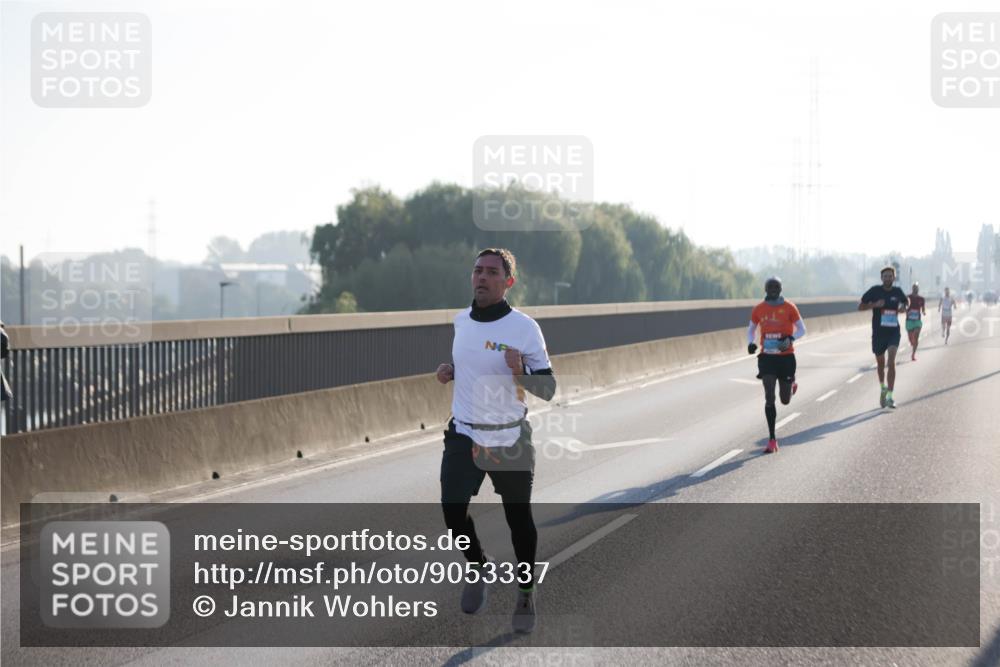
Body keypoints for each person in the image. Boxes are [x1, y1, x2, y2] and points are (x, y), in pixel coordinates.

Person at [435, 248, 556, 634]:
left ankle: (526, 591)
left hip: (509, 436)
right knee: (453, 510)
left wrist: (521, 371)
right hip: (464, 432)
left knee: (518, 520)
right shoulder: (461, 321)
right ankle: (477, 565)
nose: (482, 277)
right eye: (477, 271)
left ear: (508, 282)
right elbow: (474, 364)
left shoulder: (524, 328)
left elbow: (548, 388)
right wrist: (452, 371)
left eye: (491, 272)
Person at [747, 276, 805, 454]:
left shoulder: (789, 307)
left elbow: (802, 329)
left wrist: (790, 339)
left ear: (780, 289)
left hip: (786, 358)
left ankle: (791, 383)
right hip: (767, 358)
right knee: (769, 396)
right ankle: (772, 439)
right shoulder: (759, 309)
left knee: (785, 400)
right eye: (770, 287)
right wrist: (751, 343)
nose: (773, 290)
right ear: (765, 289)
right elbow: (751, 329)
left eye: (776, 287)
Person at [859, 266, 908, 408]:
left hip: (893, 332)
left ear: (894, 277)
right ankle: (883, 388)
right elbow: (860, 306)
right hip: (878, 333)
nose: (887, 278)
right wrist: (874, 304)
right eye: (885, 276)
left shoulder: (898, 291)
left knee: (891, 362)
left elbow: (906, 302)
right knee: (880, 365)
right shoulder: (875, 291)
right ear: (881, 278)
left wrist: (904, 307)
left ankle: (890, 397)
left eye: (890, 276)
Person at [905, 283, 927, 361]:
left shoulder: (921, 299)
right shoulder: (908, 297)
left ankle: (913, 354)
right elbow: (904, 307)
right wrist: (906, 311)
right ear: (912, 288)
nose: (915, 289)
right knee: (911, 339)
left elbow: (923, 308)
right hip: (909, 321)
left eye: (917, 288)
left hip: (917, 320)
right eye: (914, 288)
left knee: (916, 337)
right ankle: (912, 342)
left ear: (918, 289)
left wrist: (923, 312)